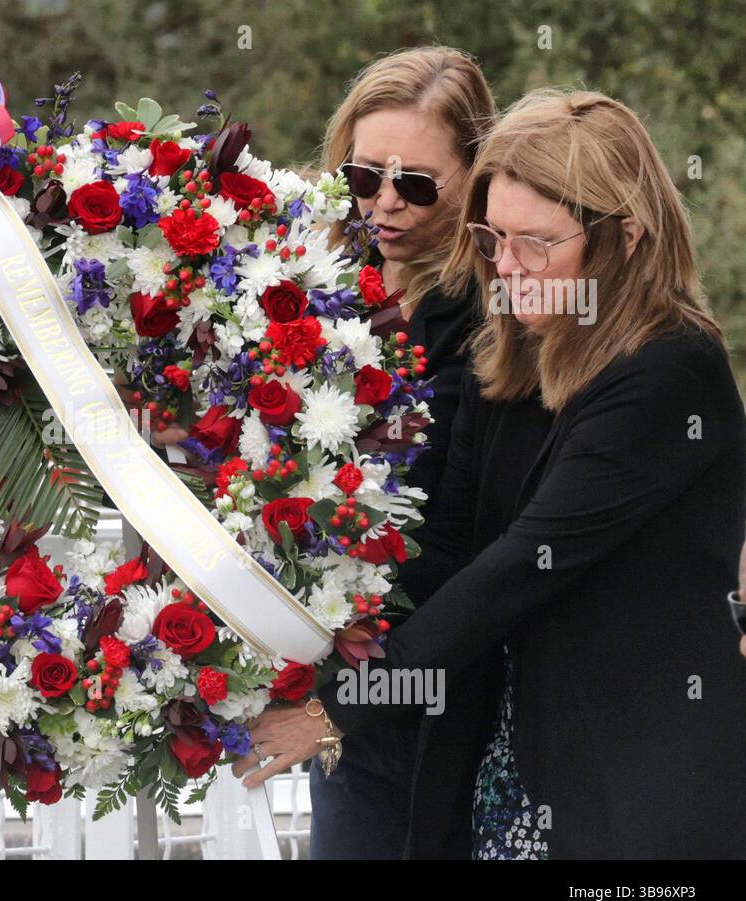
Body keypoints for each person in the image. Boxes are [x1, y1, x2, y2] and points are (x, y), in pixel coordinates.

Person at [239, 88, 746, 858]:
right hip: (517, 766)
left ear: (628, 236)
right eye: (492, 239)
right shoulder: (515, 349)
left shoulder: (669, 371)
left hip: (644, 784)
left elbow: (512, 573)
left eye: (535, 243)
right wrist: (297, 643)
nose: (504, 270)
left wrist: (334, 711)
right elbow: (450, 551)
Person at [306, 46, 495, 859]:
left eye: (416, 185)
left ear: (477, 178)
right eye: (362, 178)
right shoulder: (319, 289)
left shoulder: (497, 323)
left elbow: (465, 534)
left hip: (443, 688)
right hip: (343, 682)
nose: (384, 204)